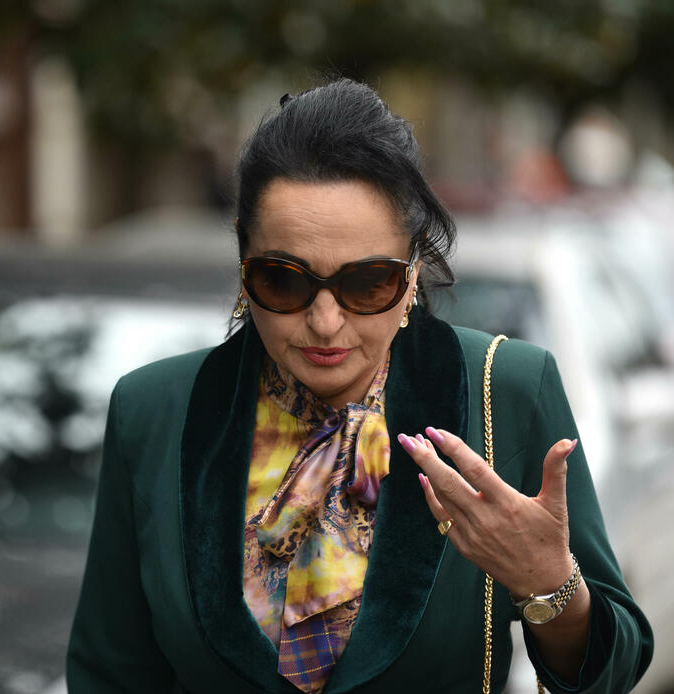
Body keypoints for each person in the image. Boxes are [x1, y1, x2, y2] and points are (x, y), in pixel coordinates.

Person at [66, 78, 653, 693]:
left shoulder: (505, 391)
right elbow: (108, 673)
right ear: (243, 265)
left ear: (413, 273)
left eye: (368, 283)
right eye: (284, 280)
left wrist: (549, 587)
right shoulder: (154, 410)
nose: (325, 322)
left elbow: (611, 671)